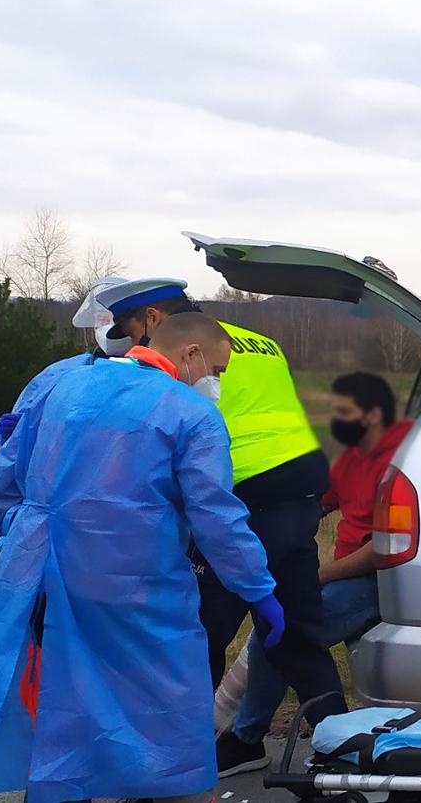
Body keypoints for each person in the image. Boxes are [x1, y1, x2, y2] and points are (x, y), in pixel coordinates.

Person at [0, 313, 284, 803]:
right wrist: (259, 589)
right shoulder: (191, 413)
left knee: (61, 699)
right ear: (191, 355)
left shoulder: (61, 385)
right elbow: (217, 519)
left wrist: (12, 555)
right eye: (219, 370)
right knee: (169, 708)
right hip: (137, 585)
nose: (216, 382)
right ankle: (173, 791)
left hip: (44, 578)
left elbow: (3, 479)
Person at [96, 277, 347, 773]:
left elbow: (170, 433)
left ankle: (175, 763)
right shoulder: (261, 342)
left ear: (152, 319)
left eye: (129, 329)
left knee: (197, 636)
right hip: (302, 497)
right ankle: (342, 751)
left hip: (242, 502)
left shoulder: (180, 356)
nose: (131, 343)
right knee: (299, 634)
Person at [218, 372, 410, 774]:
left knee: (285, 633)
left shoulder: (399, 463)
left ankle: (249, 739)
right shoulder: (355, 457)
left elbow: (382, 550)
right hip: (345, 575)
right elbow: (315, 501)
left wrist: (320, 575)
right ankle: (319, 739)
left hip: (381, 580)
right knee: (281, 632)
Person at [0, 275, 134, 442]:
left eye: (115, 320)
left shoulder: (158, 375)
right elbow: (26, 431)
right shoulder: (60, 373)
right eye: (102, 319)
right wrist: (13, 436)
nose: (108, 327)